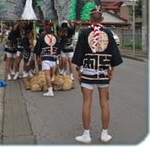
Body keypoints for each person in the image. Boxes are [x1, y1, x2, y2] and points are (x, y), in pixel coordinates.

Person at [72, 8, 123, 144]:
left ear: (90, 20)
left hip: (88, 71)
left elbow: (79, 54)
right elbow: (114, 54)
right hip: (103, 71)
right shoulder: (108, 32)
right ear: (102, 19)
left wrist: (79, 70)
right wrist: (111, 70)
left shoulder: (84, 33)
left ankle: (86, 135)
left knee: (87, 103)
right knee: (104, 103)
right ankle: (105, 134)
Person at [35, 24, 60, 97]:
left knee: (47, 75)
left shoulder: (42, 37)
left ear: (45, 29)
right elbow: (58, 48)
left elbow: (38, 47)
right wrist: (58, 57)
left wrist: (38, 56)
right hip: (54, 57)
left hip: (46, 58)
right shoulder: (55, 37)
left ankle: (50, 91)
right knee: (51, 73)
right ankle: (50, 83)